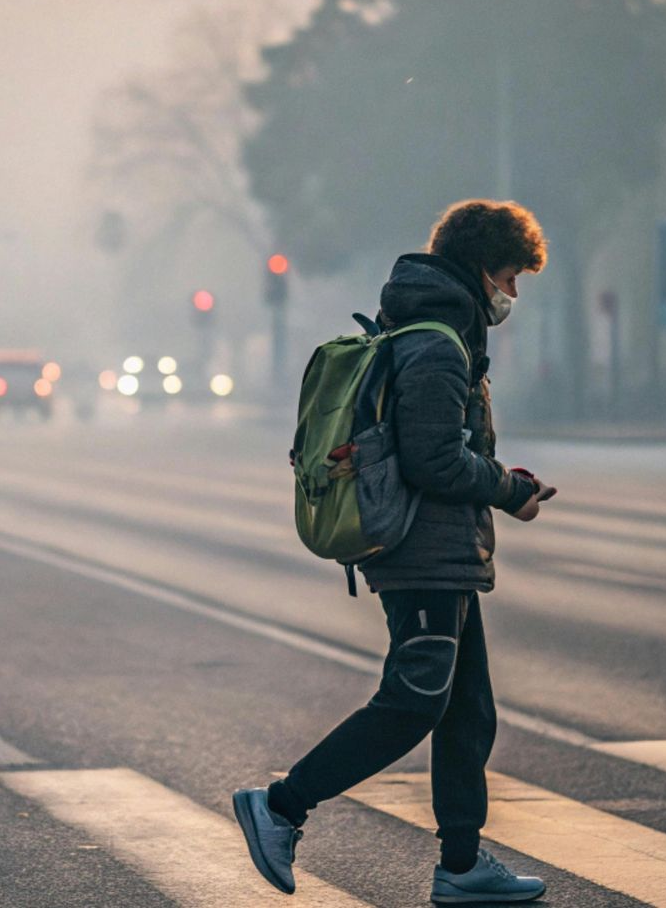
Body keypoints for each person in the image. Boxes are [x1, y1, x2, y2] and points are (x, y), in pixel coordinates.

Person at [234, 200, 556, 904]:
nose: (512, 295)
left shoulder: (427, 330)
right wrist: (508, 490)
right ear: (479, 268)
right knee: (413, 701)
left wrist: (500, 482)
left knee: (468, 710)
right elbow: (436, 462)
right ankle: (282, 806)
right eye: (509, 277)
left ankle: (463, 867)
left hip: (440, 552)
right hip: (423, 552)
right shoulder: (438, 345)